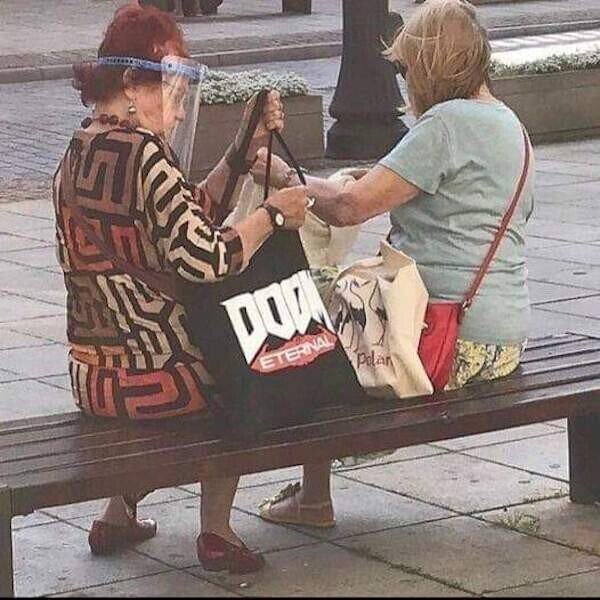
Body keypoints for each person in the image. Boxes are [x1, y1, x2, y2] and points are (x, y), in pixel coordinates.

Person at [253, 0, 534, 528]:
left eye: (406, 69)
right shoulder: (510, 126)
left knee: (301, 306)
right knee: (328, 307)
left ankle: (310, 494)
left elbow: (347, 207)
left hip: (441, 338)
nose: (404, 83)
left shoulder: (446, 123)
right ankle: (312, 491)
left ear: (431, 65)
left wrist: (285, 178)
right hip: (503, 340)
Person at [53, 3, 310, 573]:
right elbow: (206, 257)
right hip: (159, 379)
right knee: (241, 364)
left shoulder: (79, 148)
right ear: (131, 84)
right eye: (170, 87)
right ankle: (216, 529)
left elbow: (187, 215)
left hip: (91, 377)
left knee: (169, 342)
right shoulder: (145, 154)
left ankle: (117, 512)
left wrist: (239, 152)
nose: (178, 105)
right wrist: (272, 214)